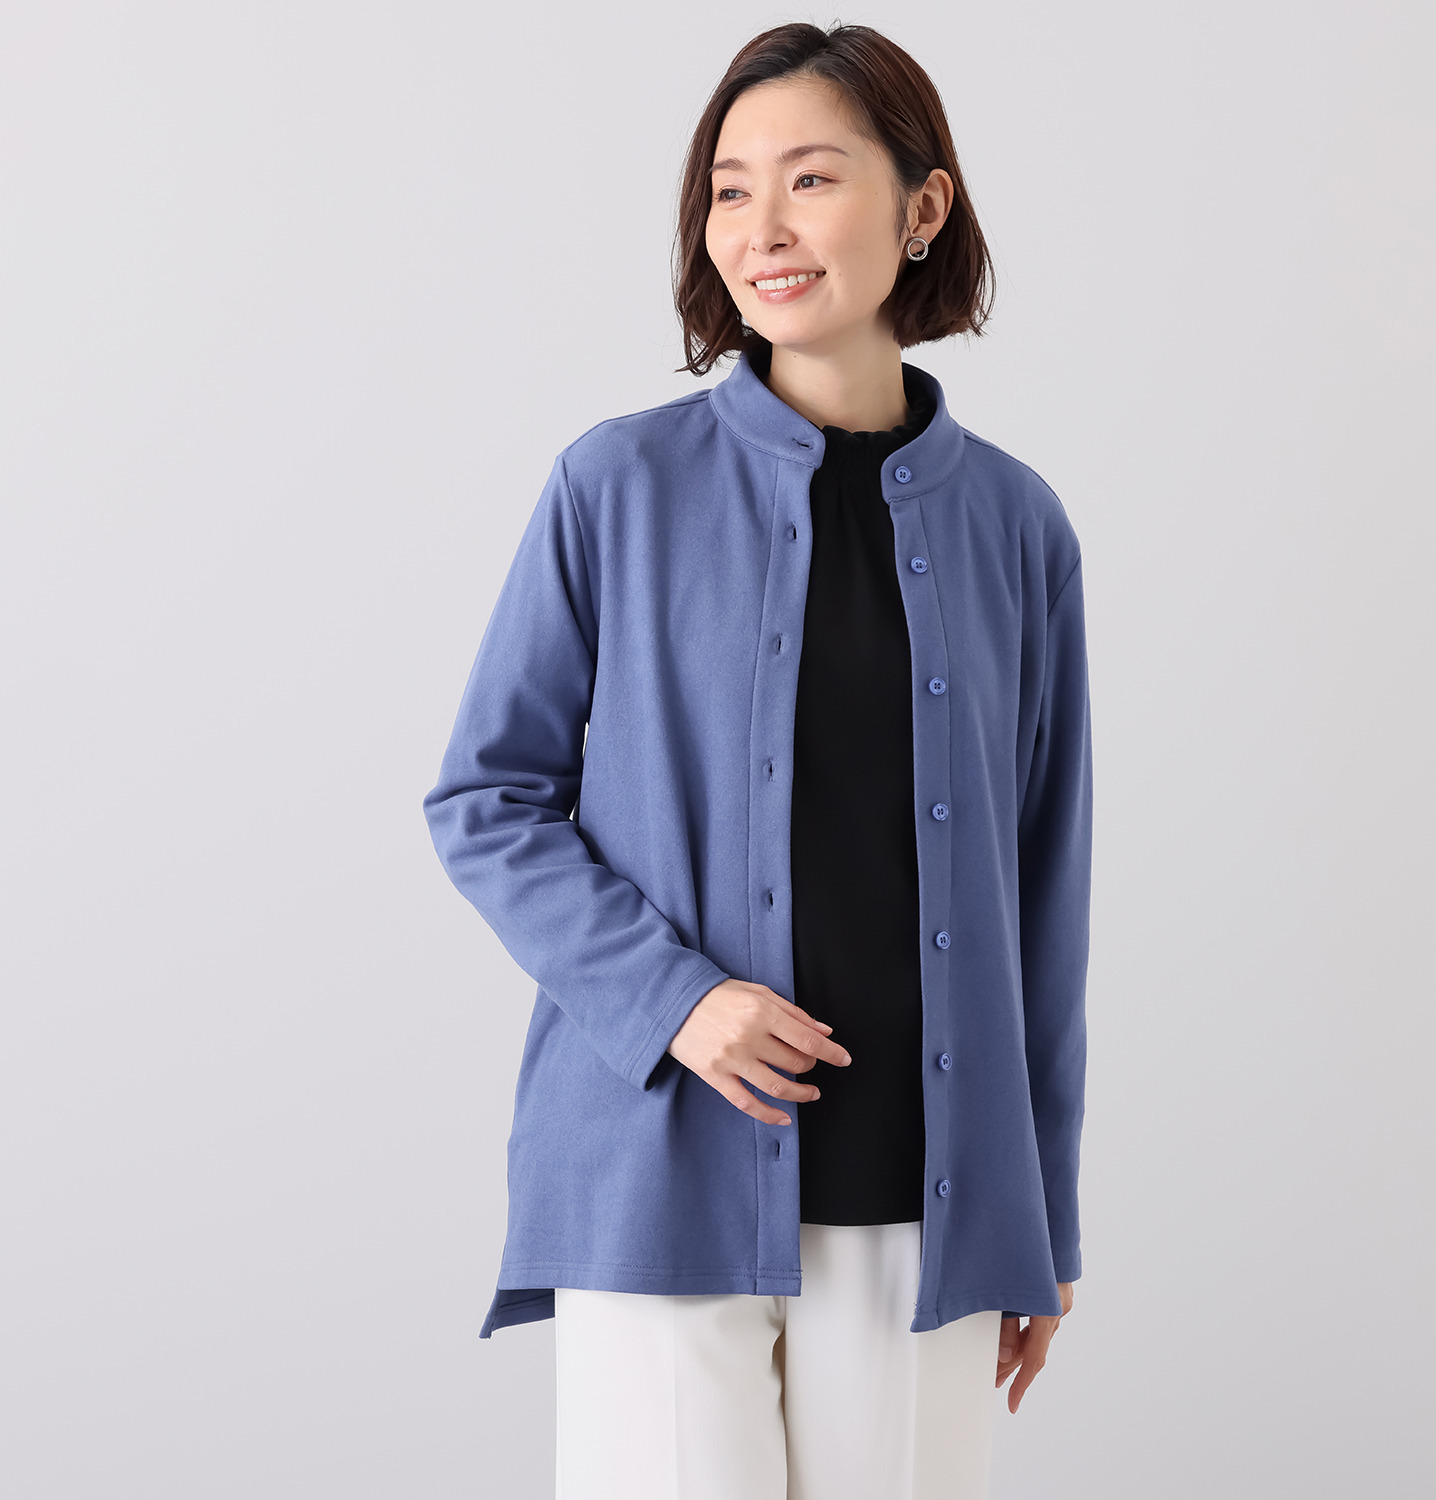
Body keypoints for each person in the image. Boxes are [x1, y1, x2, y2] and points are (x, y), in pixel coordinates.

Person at [422, 21, 1093, 1500]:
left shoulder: (1017, 528)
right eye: (730, 189)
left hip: (924, 1201)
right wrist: (677, 1001)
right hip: (659, 1174)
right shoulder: (615, 486)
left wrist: (1038, 1214)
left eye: (811, 179)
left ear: (922, 209)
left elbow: (1044, 890)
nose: (761, 228)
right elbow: (486, 799)